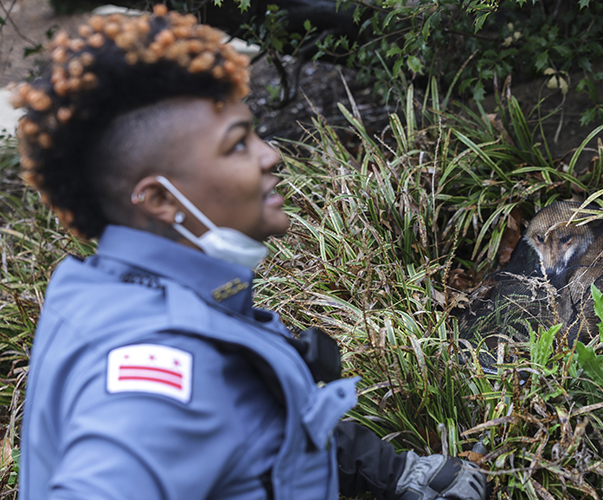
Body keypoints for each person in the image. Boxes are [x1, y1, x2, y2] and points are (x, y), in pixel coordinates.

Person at [11, 6, 488, 500]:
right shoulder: (160, 382)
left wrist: (392, 472)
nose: (270, 155)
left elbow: (248, 419)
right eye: (238, 145)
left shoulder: (111, 286)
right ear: (159, 200)